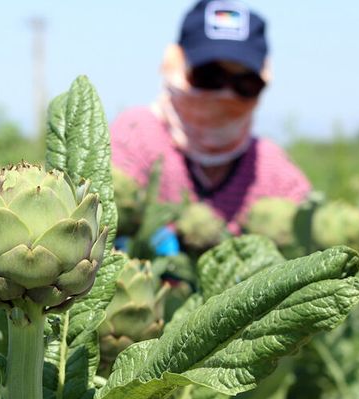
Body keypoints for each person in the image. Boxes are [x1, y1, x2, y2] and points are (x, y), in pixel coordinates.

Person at [110, 0, 310, 235]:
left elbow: (310, 237)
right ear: (176, 65)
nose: (225, 94)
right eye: (209, 76)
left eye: (245, 84)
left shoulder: (272, 172)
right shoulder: (135, 136)